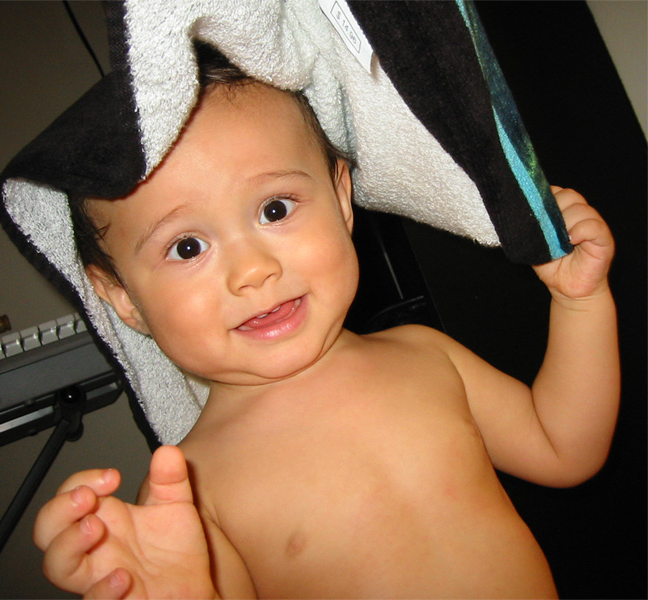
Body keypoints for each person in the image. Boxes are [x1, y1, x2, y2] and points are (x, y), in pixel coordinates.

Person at [32, 56, 619, 599]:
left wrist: (580, 302)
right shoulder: (191, 491)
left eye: (275, 209)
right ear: (123, 297)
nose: (253, 270)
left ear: (341, 198)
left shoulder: (425, 355)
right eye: (187, 247)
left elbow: (563, 448)